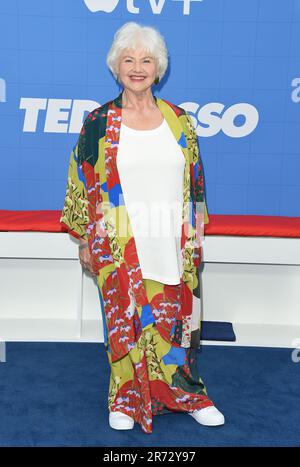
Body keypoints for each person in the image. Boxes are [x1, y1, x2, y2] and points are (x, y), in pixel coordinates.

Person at [60, 21, 225, 434]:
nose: (138, 68)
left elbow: (196, 183)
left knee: (177, 324)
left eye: (146, 60)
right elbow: (80, 178)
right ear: (116, 67)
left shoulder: (180, 121)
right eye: (129, 60)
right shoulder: (99, 122)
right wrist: (84, 237)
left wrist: (195, 237)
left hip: (171, 239)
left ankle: (185, 393)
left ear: (159, 68)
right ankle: (125, 398)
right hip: (117, 240)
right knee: (124, 322)